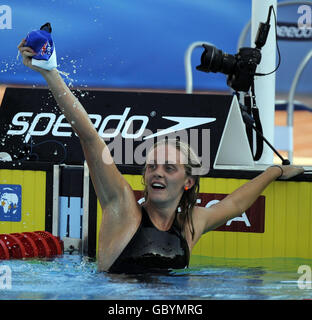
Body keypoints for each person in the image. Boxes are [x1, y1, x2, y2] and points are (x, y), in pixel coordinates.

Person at [17, 40, 304, 274]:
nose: (157, 173)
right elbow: (90, 138)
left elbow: (234, 203)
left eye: (169, 168)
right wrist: (50, 73)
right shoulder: (123, 209)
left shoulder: (192, 225)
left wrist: (274, 172)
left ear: (188, 182)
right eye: (152, 166)